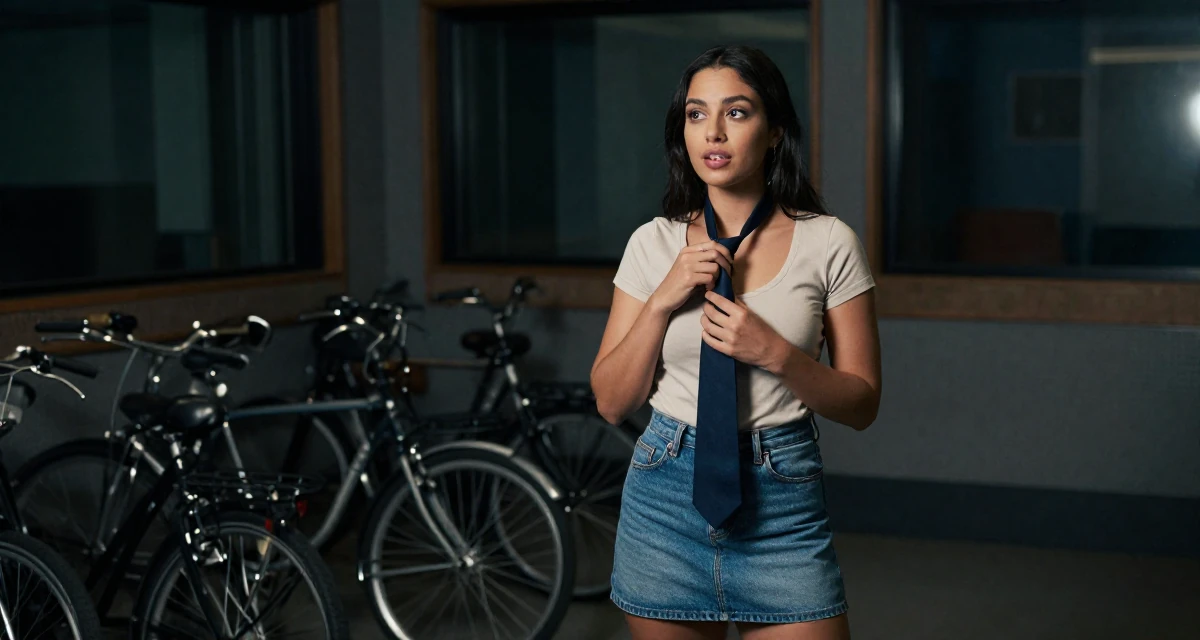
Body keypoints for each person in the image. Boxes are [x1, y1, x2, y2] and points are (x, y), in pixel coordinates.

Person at [590, 44, 881, 640]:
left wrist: (774, 353)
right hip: (664, 497)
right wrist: (663, 300)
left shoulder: (829, 243)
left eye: (738, 112)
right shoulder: (651, 244)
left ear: (775, 131)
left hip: (782, 501)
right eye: (697, 114)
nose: (714, 132)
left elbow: (863, 404)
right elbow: (612, 402)